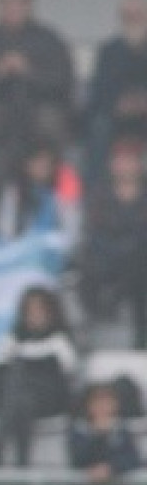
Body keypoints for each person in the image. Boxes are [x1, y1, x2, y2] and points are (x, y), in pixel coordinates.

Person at [0, 0, 75, 182]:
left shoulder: (49, 39)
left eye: (17, 5)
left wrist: (29, 71)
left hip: (40, 105)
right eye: (7, 5)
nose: (12, 10)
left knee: (50, 121)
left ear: (28, 6)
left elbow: (61, 81)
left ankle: (54, 180)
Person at [0, 285, 76, 470]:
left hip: (48, 401)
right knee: (20, 397)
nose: (35, 315)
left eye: (39, 310)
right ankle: (22, 465)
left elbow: (68, 375)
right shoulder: (13, 339)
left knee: (21, 386)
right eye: (30, 310)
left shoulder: (59, 340)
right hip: (17, 403)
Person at [77, 141, 147, 343]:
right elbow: (94, 234)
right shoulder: (99, 196)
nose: (125, 165)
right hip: (106, 260)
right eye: (120, 159)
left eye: (130, 159)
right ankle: (93, 329)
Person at [83, 0, 147, 191]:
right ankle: (95, 192)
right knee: (98, 128)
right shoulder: (109, 51)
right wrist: (117, 104)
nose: (133, 19)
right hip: (115, 115)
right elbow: (99, 90)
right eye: (128, 15)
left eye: (138, 15)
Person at [66, 381, 140, 485]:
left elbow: (133, 458)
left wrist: (111, 468)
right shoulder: (79, 430)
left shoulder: (121, 430)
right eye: (98, 402)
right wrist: (99, 435)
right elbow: (78, 458)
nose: (103, 407)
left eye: (107, 401)